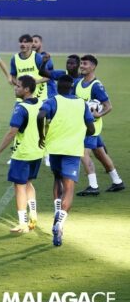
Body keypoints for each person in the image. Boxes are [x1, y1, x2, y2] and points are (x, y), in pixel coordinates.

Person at [37, 75, 95, 247]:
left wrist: (41, 135)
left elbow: (40, 116)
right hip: (72, 150)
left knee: (57, 180)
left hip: (54, 148)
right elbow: (91, 129)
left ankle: (57, 211)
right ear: (71, 86)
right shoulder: (81, 104)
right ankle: (59, 224)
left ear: (58, 85)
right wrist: (82, 134)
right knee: (69, 187)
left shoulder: (52, 100)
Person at [0, 76, 42, 234]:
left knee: (19, 187)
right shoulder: (41, 103)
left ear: (26, 89)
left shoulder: (21, 108)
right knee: (28, 184)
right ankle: (33, 215)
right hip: (38, 151)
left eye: (18, 86)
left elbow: (12, 132)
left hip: (23, 153)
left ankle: (22, 223)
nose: (15, 88)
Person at [74, 55, 125, 195]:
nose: (82, 66)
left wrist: (99, 114)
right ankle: (117, 181)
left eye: (85, 64)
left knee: (83, 153)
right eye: (81, 63)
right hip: (81, 125)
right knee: (100, 153)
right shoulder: (78, 83)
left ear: (93, 67)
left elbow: (108, 106)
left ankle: (93, 186)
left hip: (91, 127)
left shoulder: (96, 86)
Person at [9, 34, 48, 100]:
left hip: (39, 98)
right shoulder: (14, 59)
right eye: (21, 42)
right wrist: (19, 85)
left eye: (25, 42)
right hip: (21, 99)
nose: (22, 44)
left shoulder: (37, 58)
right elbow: (13, 78)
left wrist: (35, 82)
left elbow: (48, 77)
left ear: (31, 44)